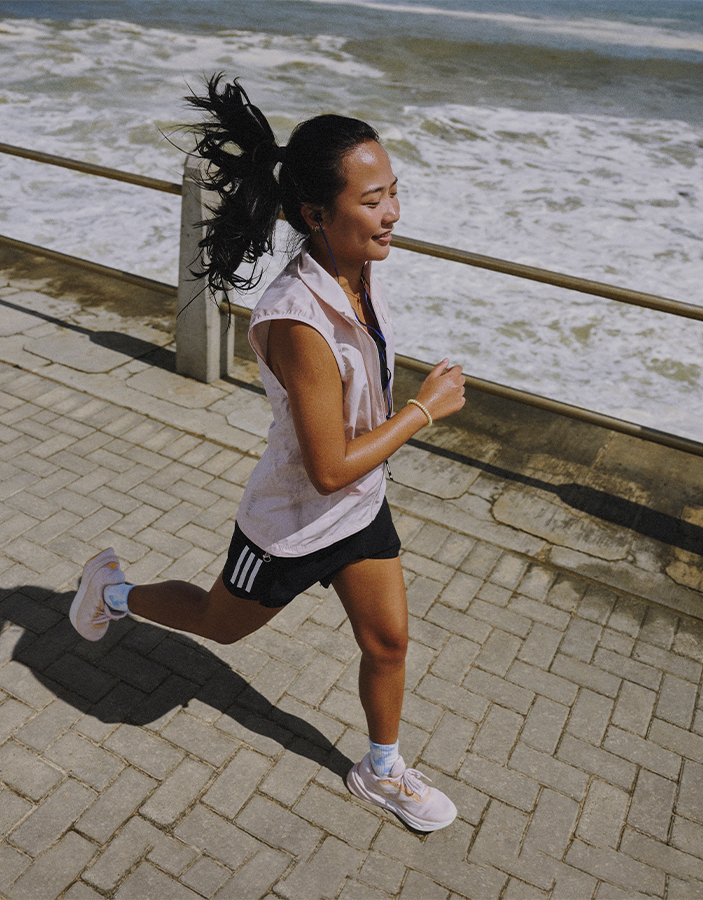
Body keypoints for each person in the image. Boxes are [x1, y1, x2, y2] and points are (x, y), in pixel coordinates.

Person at [71, 74, 466, 832]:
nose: (393, 213)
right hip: (290, 521)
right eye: (373, 199)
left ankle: (381, 770)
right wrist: (424, 408)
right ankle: (112, 591)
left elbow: (350, 466)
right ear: (318, 216)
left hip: (358, 507)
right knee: (221, 623)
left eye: (394, 191)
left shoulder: (359, 270)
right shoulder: (298, 322)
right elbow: (325, 467)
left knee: (388, 641)